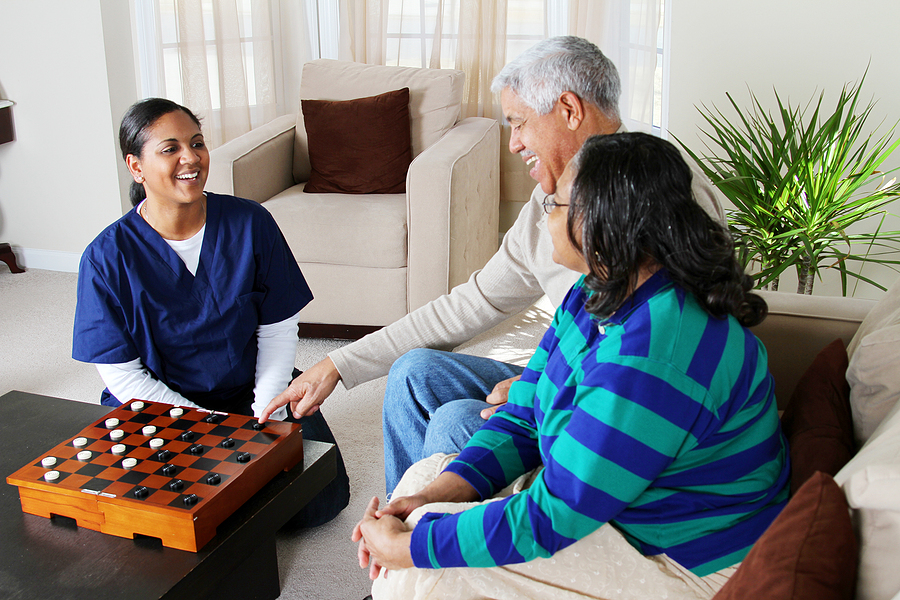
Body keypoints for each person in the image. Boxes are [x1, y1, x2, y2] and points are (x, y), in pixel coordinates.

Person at [260, 36, 725, 494]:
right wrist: (337, 365)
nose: (512, 143)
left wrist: (544, 390)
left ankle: (427, 545)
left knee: (456, 421)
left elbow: (667, 356)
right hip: (568, 376)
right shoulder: (549, 197)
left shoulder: (660, 191)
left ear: (569, 109)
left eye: (519, 123)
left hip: (613, 402)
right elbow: (474, 301)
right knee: (415, 372)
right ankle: (400, 539)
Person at [352, 132, 790, 600]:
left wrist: (415, 547)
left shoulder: (655, 355)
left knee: (417, 572)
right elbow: (524, 414)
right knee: (420, 489)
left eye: (555, 205)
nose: (544, 216)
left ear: (601, 225)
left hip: (681, 558)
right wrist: (431, 499)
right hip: (619, 508)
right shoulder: (596, 292)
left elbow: (556, 514)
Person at [72, 98, 349, 527]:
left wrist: (264, 412)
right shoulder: (106, 258)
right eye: (170, 149)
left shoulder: (250, 222)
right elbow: (121, 373)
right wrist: (208, 429)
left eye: (197, 143)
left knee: (318, 503)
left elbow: (277, 329)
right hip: (158, 406)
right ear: (136, 166)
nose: (191, 158)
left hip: (252, 390)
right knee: (172, 514)